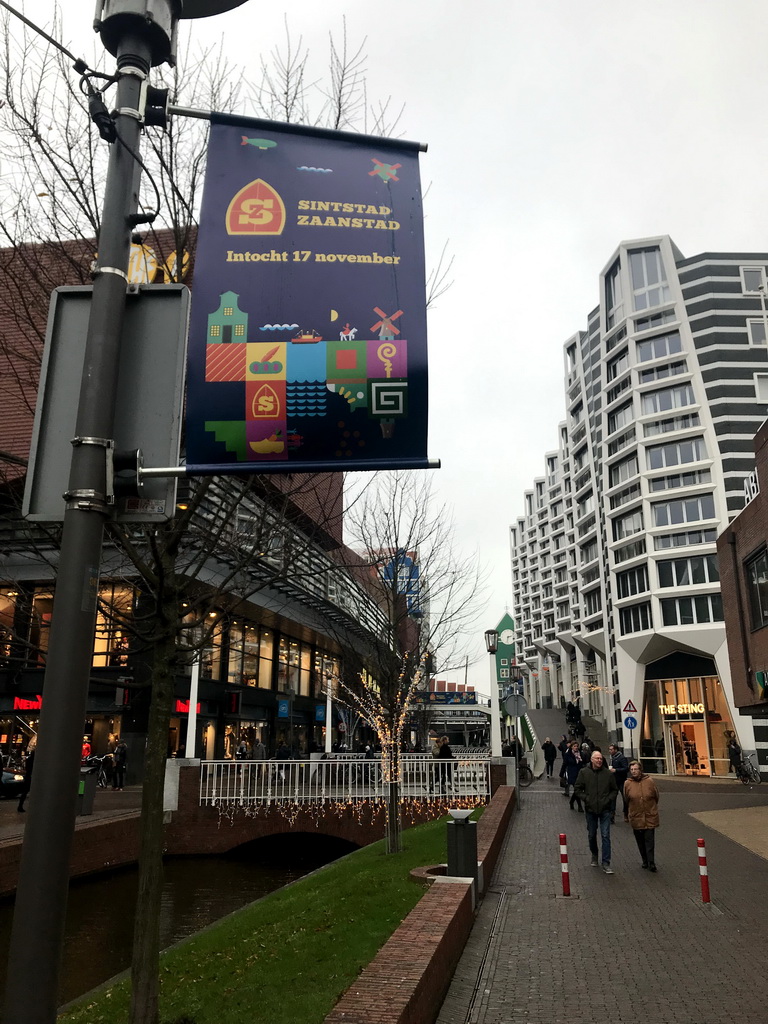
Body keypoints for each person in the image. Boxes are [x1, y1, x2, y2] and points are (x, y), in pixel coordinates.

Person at [574, 750, 618, 873]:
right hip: (590, 809)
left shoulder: (608, 774)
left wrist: (608, 800)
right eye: (597, 758)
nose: (599, 760)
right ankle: (594, 854)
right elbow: (577, 789)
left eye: (600, 758)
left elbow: (614, 790)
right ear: (592, 760)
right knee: (592, 834)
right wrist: (587, 799)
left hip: (605, 809)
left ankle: (606, 862)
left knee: (605, 835)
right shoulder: (584, 773)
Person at [624, 760, 660, 871]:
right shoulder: (627, 783)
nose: (634, 772)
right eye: (632, 770)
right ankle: (644, 860)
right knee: (640, 840)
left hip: (649, 815)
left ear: (641, 770)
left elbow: (656, 796)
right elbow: (626, 799)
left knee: (649, 840)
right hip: (636, 816)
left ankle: (651, 862)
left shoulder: (649, 781)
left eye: (636, 769)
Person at [607, 743, 629, 822]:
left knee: (625, 798)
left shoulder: (621, 758)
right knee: (612, 798)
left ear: (616, 750)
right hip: (614, 781)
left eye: (611, 749)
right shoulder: (612, 758)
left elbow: (626, 768)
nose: (610, 751)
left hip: (621, 781)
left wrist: (616, 770)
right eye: (609, 749)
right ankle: (612, 815)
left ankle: (626, 814)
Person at [563, 740, 584, 809]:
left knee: (577, 790)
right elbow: (565, 764)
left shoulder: (580, 754)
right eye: (574, 746)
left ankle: (571, 801)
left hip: (579, 774)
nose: (576, 747)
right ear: (571, 747)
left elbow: (584, 762)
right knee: (576, 789)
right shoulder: (568, 754)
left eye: (577, 746)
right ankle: (579, 806)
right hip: (572, 774)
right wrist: (562, 774)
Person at [17, 748, 34, 813]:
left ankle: (20, 806)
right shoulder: (34, 761)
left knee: (25, 792)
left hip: (28, 777)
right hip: (30, 776)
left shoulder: (28, 760)